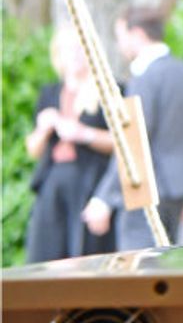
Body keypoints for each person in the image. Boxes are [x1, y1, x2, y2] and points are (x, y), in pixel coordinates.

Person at [84, 7, 183, 250]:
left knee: (140, 272)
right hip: (181, 189)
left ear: (137, 33)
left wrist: (103, 198)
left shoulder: (145, 76)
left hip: (147, 192)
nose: (120, 45)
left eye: (121, 36)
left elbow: (133, 142)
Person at [25, 26, 117, 261]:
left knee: (86, 252)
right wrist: (45, 128)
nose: (75, 56)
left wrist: (84, 134)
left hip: (89, 181)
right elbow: (33, 149)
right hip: (53, 181)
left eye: (80, 49)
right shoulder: (50, 93)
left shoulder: (107, 92)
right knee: (46, 251)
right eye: (69, 50)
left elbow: (121, 144)